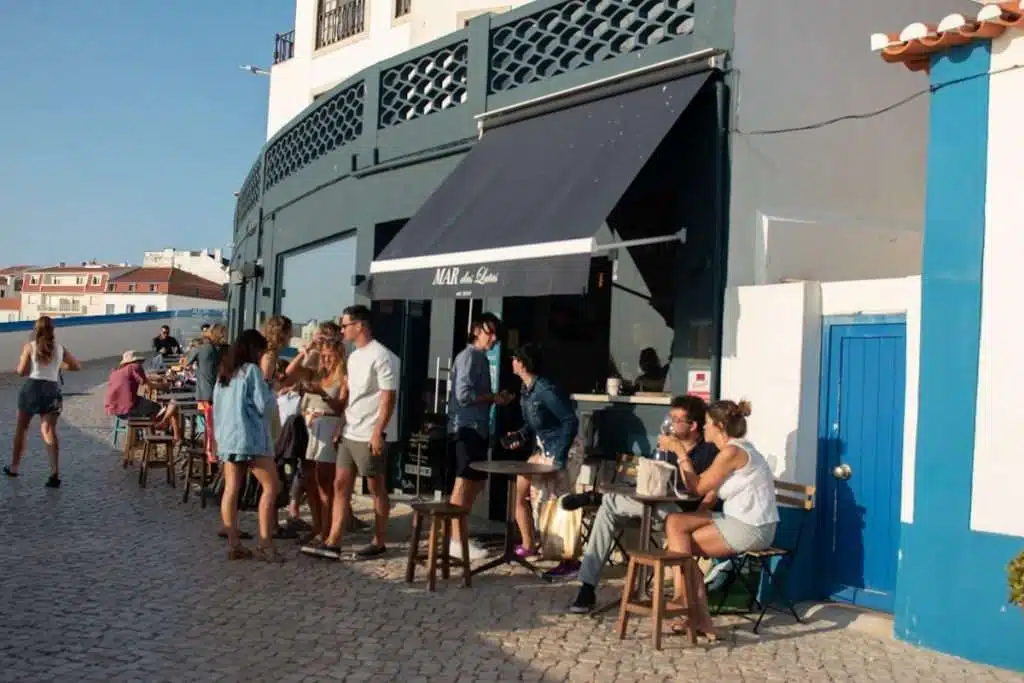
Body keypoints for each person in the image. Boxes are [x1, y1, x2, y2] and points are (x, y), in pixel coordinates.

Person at [564, 395, 720, 614]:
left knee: (609, 504)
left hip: (682, 516)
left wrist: (678, 452)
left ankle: (596, 498)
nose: (670, 423)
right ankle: (587, 587)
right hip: (653, 509)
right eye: (670, 417)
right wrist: (657, 459)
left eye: (676, 419)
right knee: (607, 512)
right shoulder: (666, 446)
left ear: (693, 425)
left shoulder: (709, 452)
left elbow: (706, 492)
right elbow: (650, 482)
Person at [661, 400, 778, 640]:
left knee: (681, 544)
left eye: (707, 425)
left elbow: (697, 487)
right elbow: (705, 489)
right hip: (737, 519)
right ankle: (696, 614)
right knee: (675, 524)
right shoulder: (736, 450)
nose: (704, 429)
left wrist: (681, 453)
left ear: (720, 426)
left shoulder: (732, 452)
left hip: (752, 528)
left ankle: (690, 609)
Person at [305, 305, 398, 560]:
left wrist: (379, 431)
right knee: (340, 483)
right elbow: (353, 397)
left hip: (370, 432)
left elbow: (388, 397)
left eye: (345, 325)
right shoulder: (354, 357)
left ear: (360, 325)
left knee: (375, 486)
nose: (342, 329)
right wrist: (341, 423)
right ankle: (333, 540)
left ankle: (379, 541)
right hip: (350, 430)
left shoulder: (381, 356)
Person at [504, 344, 579, 571]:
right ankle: (529, 544)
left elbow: (570, 421)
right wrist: (519, 435)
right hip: (544, 447)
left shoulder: (546, 389)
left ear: (524, 363)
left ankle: (569, 557)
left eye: (515, 358)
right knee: (522, 491)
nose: (512, 362)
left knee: (561, 502)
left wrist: (559, 457)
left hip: (564, 448)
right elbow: (532, 424)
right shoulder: (526, 390)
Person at [213, 329, 284, 562]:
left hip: (229, 439)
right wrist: (270, 386)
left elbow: (217, 407)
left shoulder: (225, 373)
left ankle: (234, 543)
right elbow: (263, 405)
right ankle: (265, 542)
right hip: (251, 438)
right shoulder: (251, 371)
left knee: (231, 490)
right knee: (271, 486)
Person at [446, 313, 512, 561]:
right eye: (489, 332)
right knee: (464, 482)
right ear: (476, 330)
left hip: (477, 426)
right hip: (467, 427)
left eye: (496, 334)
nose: (493, 338)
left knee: (476, 482)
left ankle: (459, 533)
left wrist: (494, 398)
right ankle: (455, 540)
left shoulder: (480, 358)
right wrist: (492, 398)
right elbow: (463, 395)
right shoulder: (470, 356)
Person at [5, 316, 81, 487]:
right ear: (52, 330)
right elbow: (76, 366)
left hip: (32, 389)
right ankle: (54, 473)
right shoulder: (60, 348)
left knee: (22, 428)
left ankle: (15, 467)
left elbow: (22, 371)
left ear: (36, 329)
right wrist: (59, 366)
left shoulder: (30, 347)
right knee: (49, 431)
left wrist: (20, 368)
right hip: (51, 390)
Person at [298, 337, 348, 545]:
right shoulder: (318, 375)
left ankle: (327, 530)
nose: (326, 359)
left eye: (329, 355)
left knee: (325, 482)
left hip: (329, 427)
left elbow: (342, 406)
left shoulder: (343, 377)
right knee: (310, 481)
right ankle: (317, 525)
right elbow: (297, 371)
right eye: (323, 355)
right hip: (311, 427)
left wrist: (323, 394)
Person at [104, 350, 181, 441]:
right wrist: (164, 386)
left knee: (148, 406)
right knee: (158, 408)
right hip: (129, 407)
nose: (141, 364)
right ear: (136, 361)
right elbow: (148, 384)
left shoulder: (117, 371)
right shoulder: (135, 367)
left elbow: (144, 379)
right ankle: (167, 431)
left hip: (114, 408)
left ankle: (152, 433)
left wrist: (157, 378)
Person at [185, 323, 228, 463]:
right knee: (213, 424)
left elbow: (186, 363)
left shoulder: (201, 349)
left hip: (205, 393)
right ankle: (212, 451)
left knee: (209, 425)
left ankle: (210, 454)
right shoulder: (221, 350)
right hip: (218, 391)